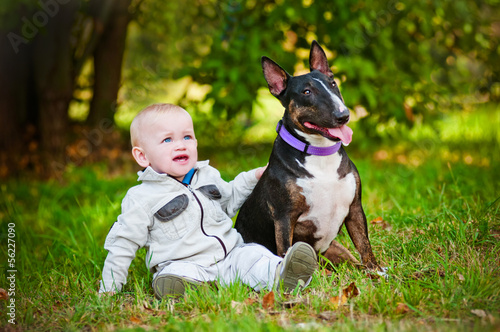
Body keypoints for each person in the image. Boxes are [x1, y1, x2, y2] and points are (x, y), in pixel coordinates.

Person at [99, 103, 318, 298]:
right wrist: (110, 288)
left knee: (253, 255)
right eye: (167, 140)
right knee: (173, 274)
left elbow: (229, 200)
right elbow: (122, 244)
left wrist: (253, 177)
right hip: (186, 265)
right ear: (142, 157)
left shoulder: (207, 175)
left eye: (187, 137)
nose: (180, 145)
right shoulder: (141, 198)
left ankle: (282, 274)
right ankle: (186, 287)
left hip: (230, 256)